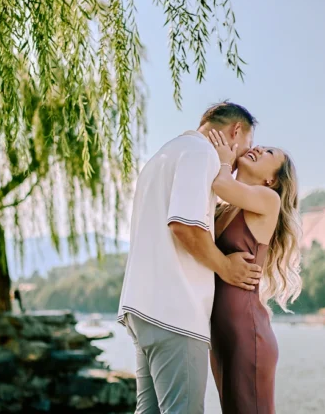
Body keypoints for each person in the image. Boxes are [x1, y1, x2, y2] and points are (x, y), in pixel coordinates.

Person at [117, 102, 261, 413]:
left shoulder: (162, 156)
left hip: (143, 309)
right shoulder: (201, 154)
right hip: (176, 312)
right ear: (235, 131)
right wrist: (226, 268)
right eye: (244, 149)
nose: (237, 164)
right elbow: (183, 225)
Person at [207, 129, 302, 414]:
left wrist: (224, 160)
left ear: (271, 179)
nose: (259, 149)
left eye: (269, 153)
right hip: (221, 333)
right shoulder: (224, 210)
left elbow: (221, 184)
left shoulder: (267, 200)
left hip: (247, 333)